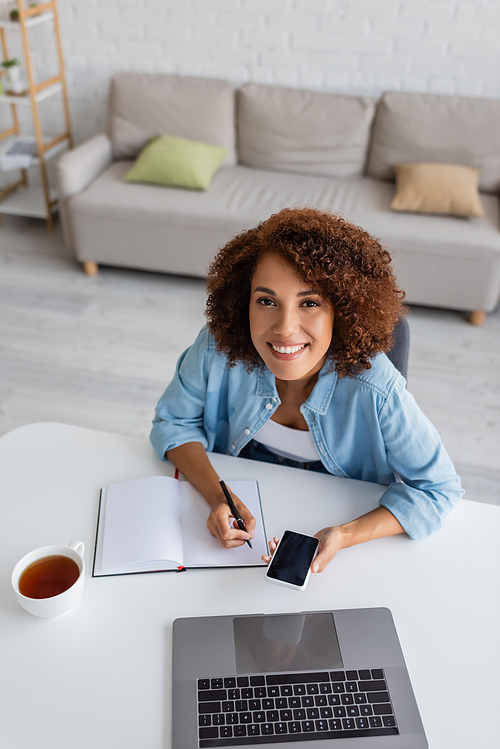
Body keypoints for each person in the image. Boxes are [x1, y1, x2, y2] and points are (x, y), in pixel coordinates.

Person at [150, 207, 463, 573]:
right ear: (243, 302)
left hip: (339, 532)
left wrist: (345, 535)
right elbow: (173, 424)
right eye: (267, 301)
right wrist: (220, 498)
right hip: (239, 536)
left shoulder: (376, 388)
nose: (285, 327)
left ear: (342, 312)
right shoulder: (215, 350)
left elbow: (436, 489)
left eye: (310, 303)